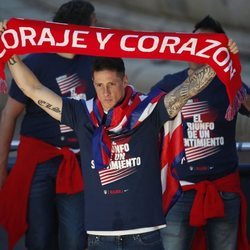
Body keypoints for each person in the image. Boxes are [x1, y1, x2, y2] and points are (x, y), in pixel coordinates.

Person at [0, 1, 97, 250]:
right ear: (79, 29)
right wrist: (0, 167)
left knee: (76, 239)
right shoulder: (35, 62)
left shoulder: (97, 63)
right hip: (38, 162)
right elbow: (9, 115)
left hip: (77, 162)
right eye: (93, 25)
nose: (97, 31)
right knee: (39, 238)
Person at [152, 15, 250, 250]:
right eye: (195, 43)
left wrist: (231, 68)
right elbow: (144, 116)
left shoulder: (230, 83)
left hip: (224, 188)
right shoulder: (169, 83)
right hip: (180, 190)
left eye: (206, 45)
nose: (198, 49)